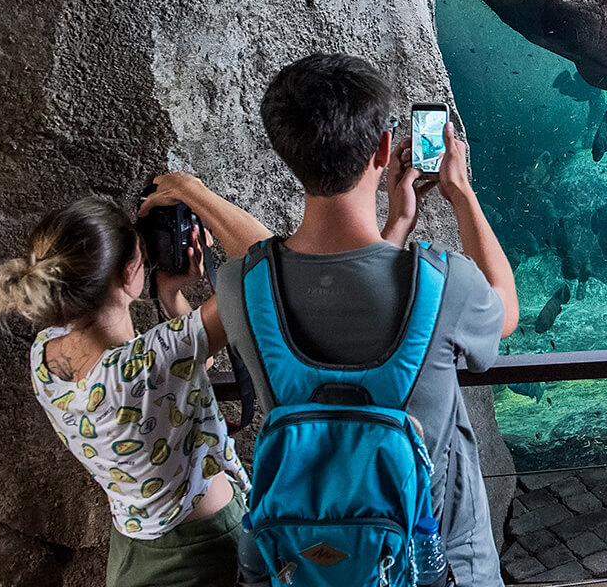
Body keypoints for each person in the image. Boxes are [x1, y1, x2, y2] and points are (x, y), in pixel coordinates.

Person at [217, 54, 518, 586]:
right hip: (438, 561)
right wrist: (460, 193)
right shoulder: (444, 283)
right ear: (384, 149)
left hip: (305, 561)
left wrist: (396, 225)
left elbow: (340, 294)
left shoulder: (241, 285)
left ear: (286, 151)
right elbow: (505, 313)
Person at [0, 175, 270, 587]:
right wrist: (193, 191)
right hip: (205, 552)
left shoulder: (44, 355)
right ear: (128, 272)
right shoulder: (151, 360)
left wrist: (172, 296)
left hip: (135, 553)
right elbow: (270, 264)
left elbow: (173, 381)